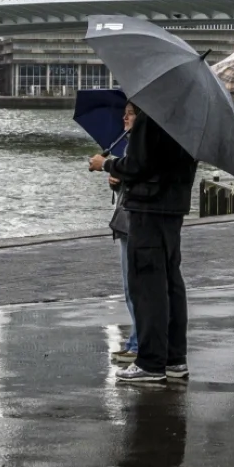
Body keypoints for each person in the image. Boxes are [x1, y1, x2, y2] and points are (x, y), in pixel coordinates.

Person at [90, 106, 198, 386]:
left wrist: (109, 164)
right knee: (171, 282)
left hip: (148, 209)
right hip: (174, 208)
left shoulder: (151, 116)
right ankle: (175, 359)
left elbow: (139, 164)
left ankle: (150, 362)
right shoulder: (187, 117)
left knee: (148, 285)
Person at [107, 102, 139, 362]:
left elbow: (139, 173)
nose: (124, 118)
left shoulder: (139, 144)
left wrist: (108, 166)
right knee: (133, 287)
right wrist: (117, 179)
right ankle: (136, 339)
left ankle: (139, 343)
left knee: (134, 287)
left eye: (129, 114)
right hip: (130, 219)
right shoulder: (135, 144)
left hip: (132, 223)